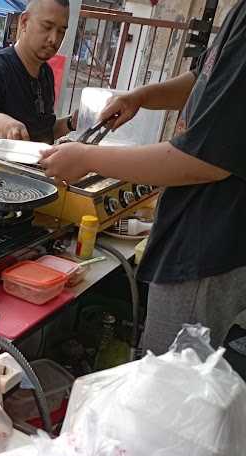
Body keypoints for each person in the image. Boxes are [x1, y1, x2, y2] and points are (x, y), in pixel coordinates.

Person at [40, 1, 246, 355]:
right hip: (201, 233)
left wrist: (88, 157)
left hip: (208, 249)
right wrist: (141, 97)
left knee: (167, 383)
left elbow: (204, 161)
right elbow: (206, 79)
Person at [0, 0, 77, 168]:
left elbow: (43, 132)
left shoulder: (46, 73)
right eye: (47, 26)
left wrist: (71, 122)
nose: (54, 39)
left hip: (35, 184)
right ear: (24, 22)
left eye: (61, 31)